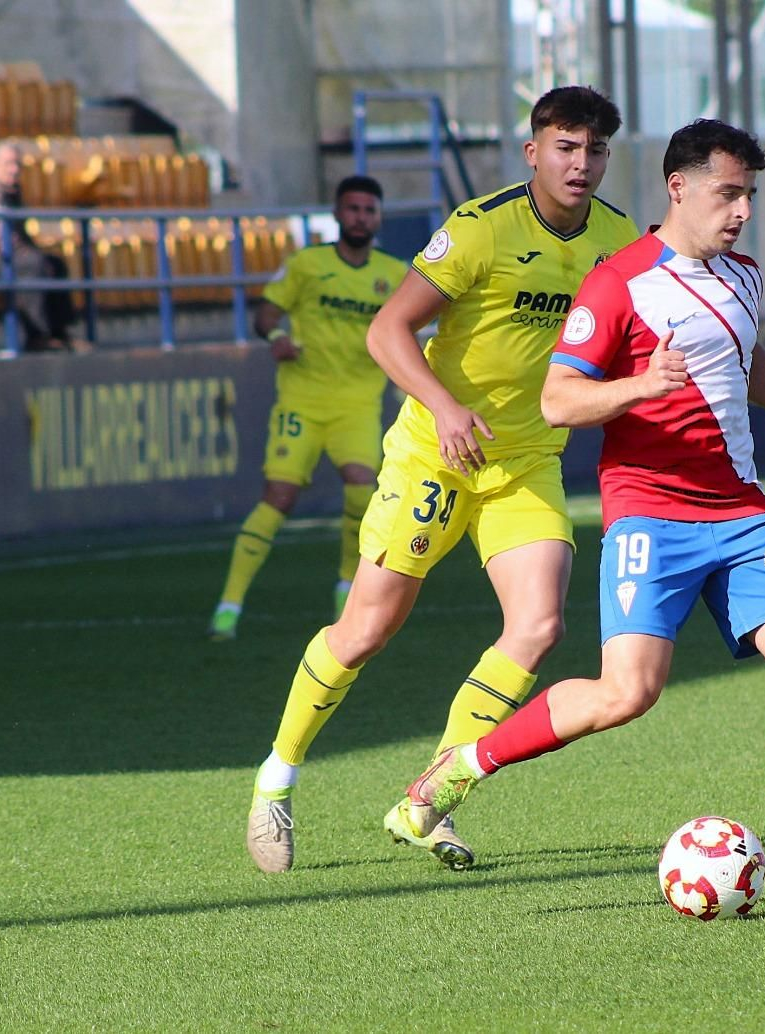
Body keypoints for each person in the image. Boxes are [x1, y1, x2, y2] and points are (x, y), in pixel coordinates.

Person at [391, 119, 765, 914]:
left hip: (741, 512)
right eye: (728, 194)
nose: (741, 212)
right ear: (679, 187)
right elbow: (558, 400)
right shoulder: (619, 282)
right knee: (626, 694)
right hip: (650, 518)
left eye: (749, 196)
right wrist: (639, 388)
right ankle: (457, 769)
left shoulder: (745, 275)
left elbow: (747, 358)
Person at [243, 86, 639, 874]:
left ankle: (432, 797)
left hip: (524, 459)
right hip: (436, 454)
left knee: (538, 626)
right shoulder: (481, 226)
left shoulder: (619, 241)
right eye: (566, 147)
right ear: (533, 152)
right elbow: (388, 330)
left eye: (595, 150)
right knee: (365, 633)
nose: (581, 164)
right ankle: (276, 778)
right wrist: (445, 406)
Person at [207, 176, 407, 639]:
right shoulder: (306, 265)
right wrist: (276, 337)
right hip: (302, 400)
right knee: (279, 497)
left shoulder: (395, 274)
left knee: (362, 489)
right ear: (337, 215)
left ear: (378, 218)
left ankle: (344, 589)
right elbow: (267, 313)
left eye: (368, 210)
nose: (360, 217)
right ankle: (229, 605)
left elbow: (410, 324)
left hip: (357, 404)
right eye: (352, 209)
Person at [0, 140, 84, 353]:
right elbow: (2, 237)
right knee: (33, 265)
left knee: (54, 264)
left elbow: (20, 236)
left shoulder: (9, 190)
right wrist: (33, 256)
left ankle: (59, 333)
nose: (15, 169)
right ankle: (37, 336)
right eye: (9, 163)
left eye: (18, 164)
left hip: (4, 256)